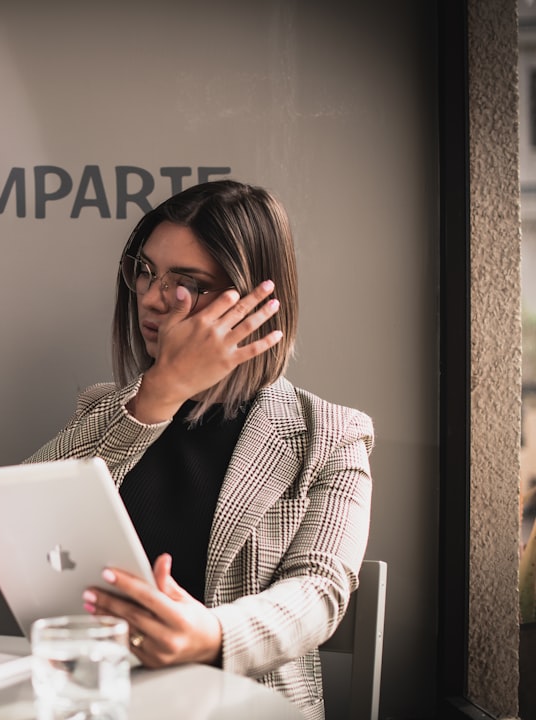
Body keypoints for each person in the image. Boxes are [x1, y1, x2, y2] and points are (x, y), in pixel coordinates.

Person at [25, 179, 373, 720]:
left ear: (258, 300)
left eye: (188, 282)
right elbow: (21, 513)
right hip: (100, 704)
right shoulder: (105, 410)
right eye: (147, 270)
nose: (153, 296)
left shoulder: (330, 434)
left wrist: (210, 634)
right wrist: (160, 394)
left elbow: (320, 591)